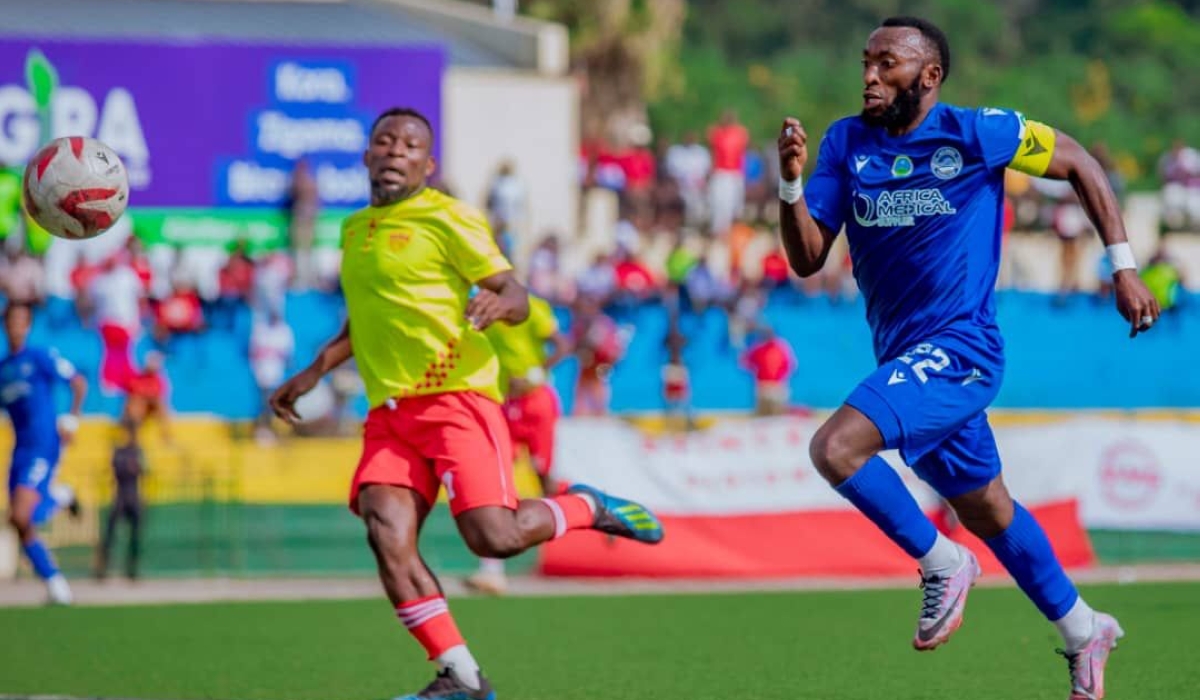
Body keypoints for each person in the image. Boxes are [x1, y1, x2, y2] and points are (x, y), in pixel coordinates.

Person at [776, 17, 1160, 700]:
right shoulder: (844, 142)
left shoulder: (980, 131)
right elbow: (807, 258)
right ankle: (1083, 629)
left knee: (835, 448)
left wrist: (1122, 267)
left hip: (960, 351)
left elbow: (1080, 162)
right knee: (987, 506)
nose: (868, 75)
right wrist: (790, 186)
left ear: (928, 76)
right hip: (904, 357)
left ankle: (942, 562)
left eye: (885, 63)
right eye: (865, 61)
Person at [269, 107, 664, 700]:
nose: (395, 150)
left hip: (457, 400)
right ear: (367, 156)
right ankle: (462, 677)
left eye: (409, 145)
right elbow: (366, 321)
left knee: (493, 538)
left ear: (427, 165)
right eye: (385, 141)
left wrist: (498, 306)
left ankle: (585, 506)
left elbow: (516, 293)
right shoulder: (354, 231)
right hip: (392, 414)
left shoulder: (449, 217)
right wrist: (311, 371)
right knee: (385, 530)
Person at [466, 292, 571, 595]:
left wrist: (537, 371)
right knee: (492, 480)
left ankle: (583, 520)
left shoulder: (532, 306)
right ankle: (491, 570)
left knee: (545, 481)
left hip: (536, 402)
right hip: (502, 403)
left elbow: (562, 344)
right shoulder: (478, 307)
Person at [1, 302, 87, 604]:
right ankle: (55, 584)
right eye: (11, 320)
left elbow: (78, 382)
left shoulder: (39, 357)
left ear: (28, 325)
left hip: (43, 444)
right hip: (20, 451)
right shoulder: (3, 371)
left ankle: (60, 496)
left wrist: (72, 419)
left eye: (21, 320)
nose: (16, 326)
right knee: (18, 521)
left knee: (23, 513)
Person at [95, 419, 145, 580]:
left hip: (134, 496)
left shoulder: (138, 451)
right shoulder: (119, 451)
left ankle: (132, 569)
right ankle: (102, 569)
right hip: (121, 496)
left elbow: (143, 470)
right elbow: (117, 469)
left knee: (136, 536)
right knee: (110, 535)